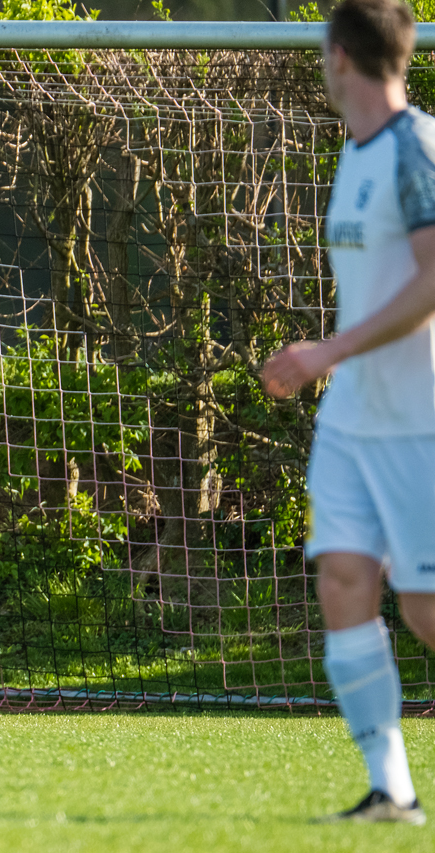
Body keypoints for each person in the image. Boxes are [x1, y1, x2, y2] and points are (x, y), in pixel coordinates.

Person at [263, 0, 435, 824]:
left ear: (338, 55)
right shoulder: (355, 149)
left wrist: (325, 352)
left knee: (423, 608)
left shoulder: (415, 146)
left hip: (418, 419)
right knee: (342, 580)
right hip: (350, 422)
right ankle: (391, 788)